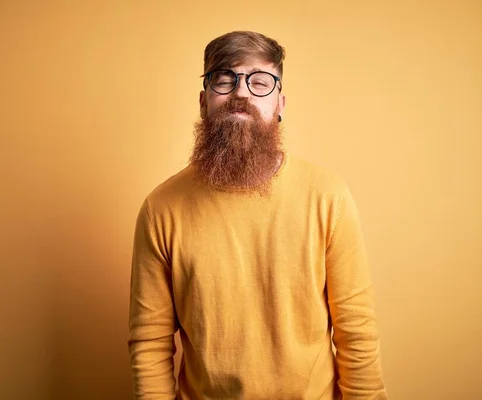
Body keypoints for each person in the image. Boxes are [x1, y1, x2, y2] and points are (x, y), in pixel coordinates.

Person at [128, 30, 387, 399]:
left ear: (280, 103)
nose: (241, 93)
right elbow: (149, 343)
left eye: (259, 81)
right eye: (224, 80)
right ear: (204, 101)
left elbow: (356, 330)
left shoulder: (329, 197)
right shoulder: (161, 210)